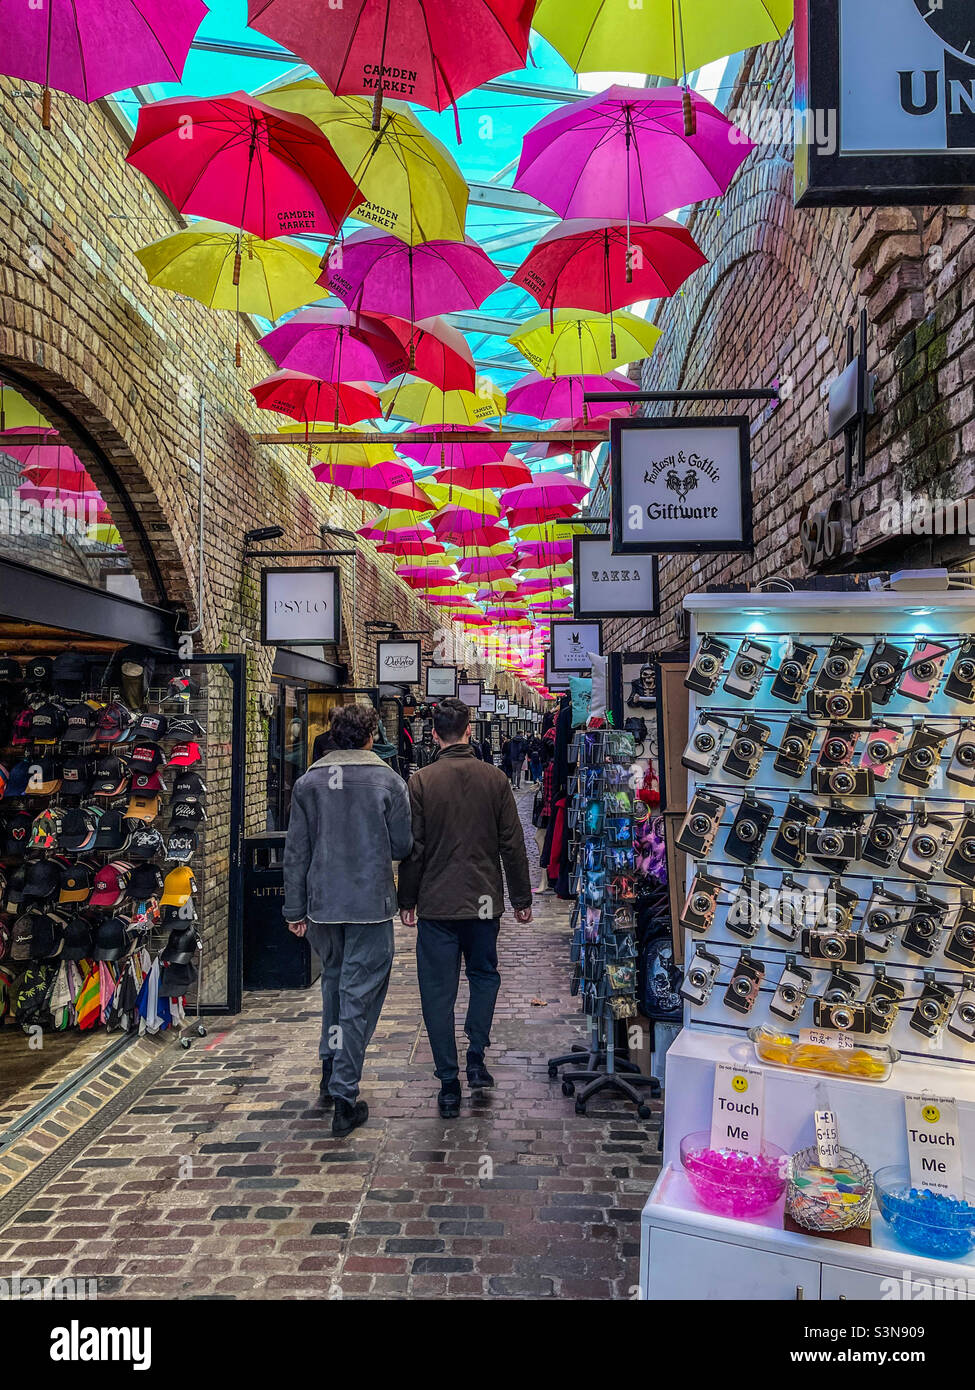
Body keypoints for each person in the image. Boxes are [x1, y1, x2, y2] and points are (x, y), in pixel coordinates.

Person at [398, 697, 533, 1118]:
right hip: (484, 900)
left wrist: (407, 899)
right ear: (469, 730)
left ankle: (448, 1081)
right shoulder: (494, 780)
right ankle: (476, 1053)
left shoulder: (420, 782)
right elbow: (512, 845)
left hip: (437, 904)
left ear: (434, 734)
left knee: (437, 993)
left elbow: (414, 849)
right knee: (484, 976)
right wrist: (522, 898)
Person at [283, 703, 413, 1137]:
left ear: (335, 736)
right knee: (358, 996)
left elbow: (296, 852)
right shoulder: (388, 782)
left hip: (323, 905)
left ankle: (329, 1064)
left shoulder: (309, 782)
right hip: (369, 906)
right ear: (371, 735)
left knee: (335, 987)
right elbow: (402, 845)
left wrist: (293, 909)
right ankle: (344, 1093)